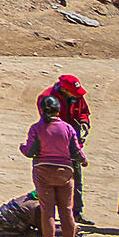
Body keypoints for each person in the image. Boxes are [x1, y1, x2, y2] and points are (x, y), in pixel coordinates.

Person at [23, 91, 83, 237]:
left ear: (42, 110)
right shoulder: (68, 128)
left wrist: (22, 147)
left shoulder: (36, 128)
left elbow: (30, 151)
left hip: (43, 171)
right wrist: (83, 161)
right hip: (65, 172)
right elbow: (76, 151)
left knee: (48, 211)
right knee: (67, 211)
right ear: (58, 111)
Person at [48, 74, 91, 225]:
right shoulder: (48, 98)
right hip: (56, 147)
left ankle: (77, 213)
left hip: (73, 144)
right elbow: (49, 123)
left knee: (77, 178)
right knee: (52, 180)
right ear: (65, 90)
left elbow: (84, 112)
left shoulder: (77, 96)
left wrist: (84, 123)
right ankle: (48, 215)